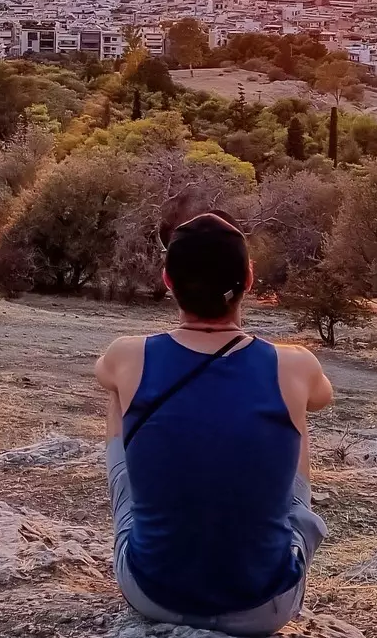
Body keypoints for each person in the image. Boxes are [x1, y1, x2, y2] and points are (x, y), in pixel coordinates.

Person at [94, 210, 334, 635]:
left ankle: (161, 540)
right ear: (249, 279)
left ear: (168, 280)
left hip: (151, 593)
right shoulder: (294, 363)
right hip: (267, 607)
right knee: (291, 413)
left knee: (119, 395)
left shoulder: (127, 354)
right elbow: (322, 399)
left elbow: (102, 376)